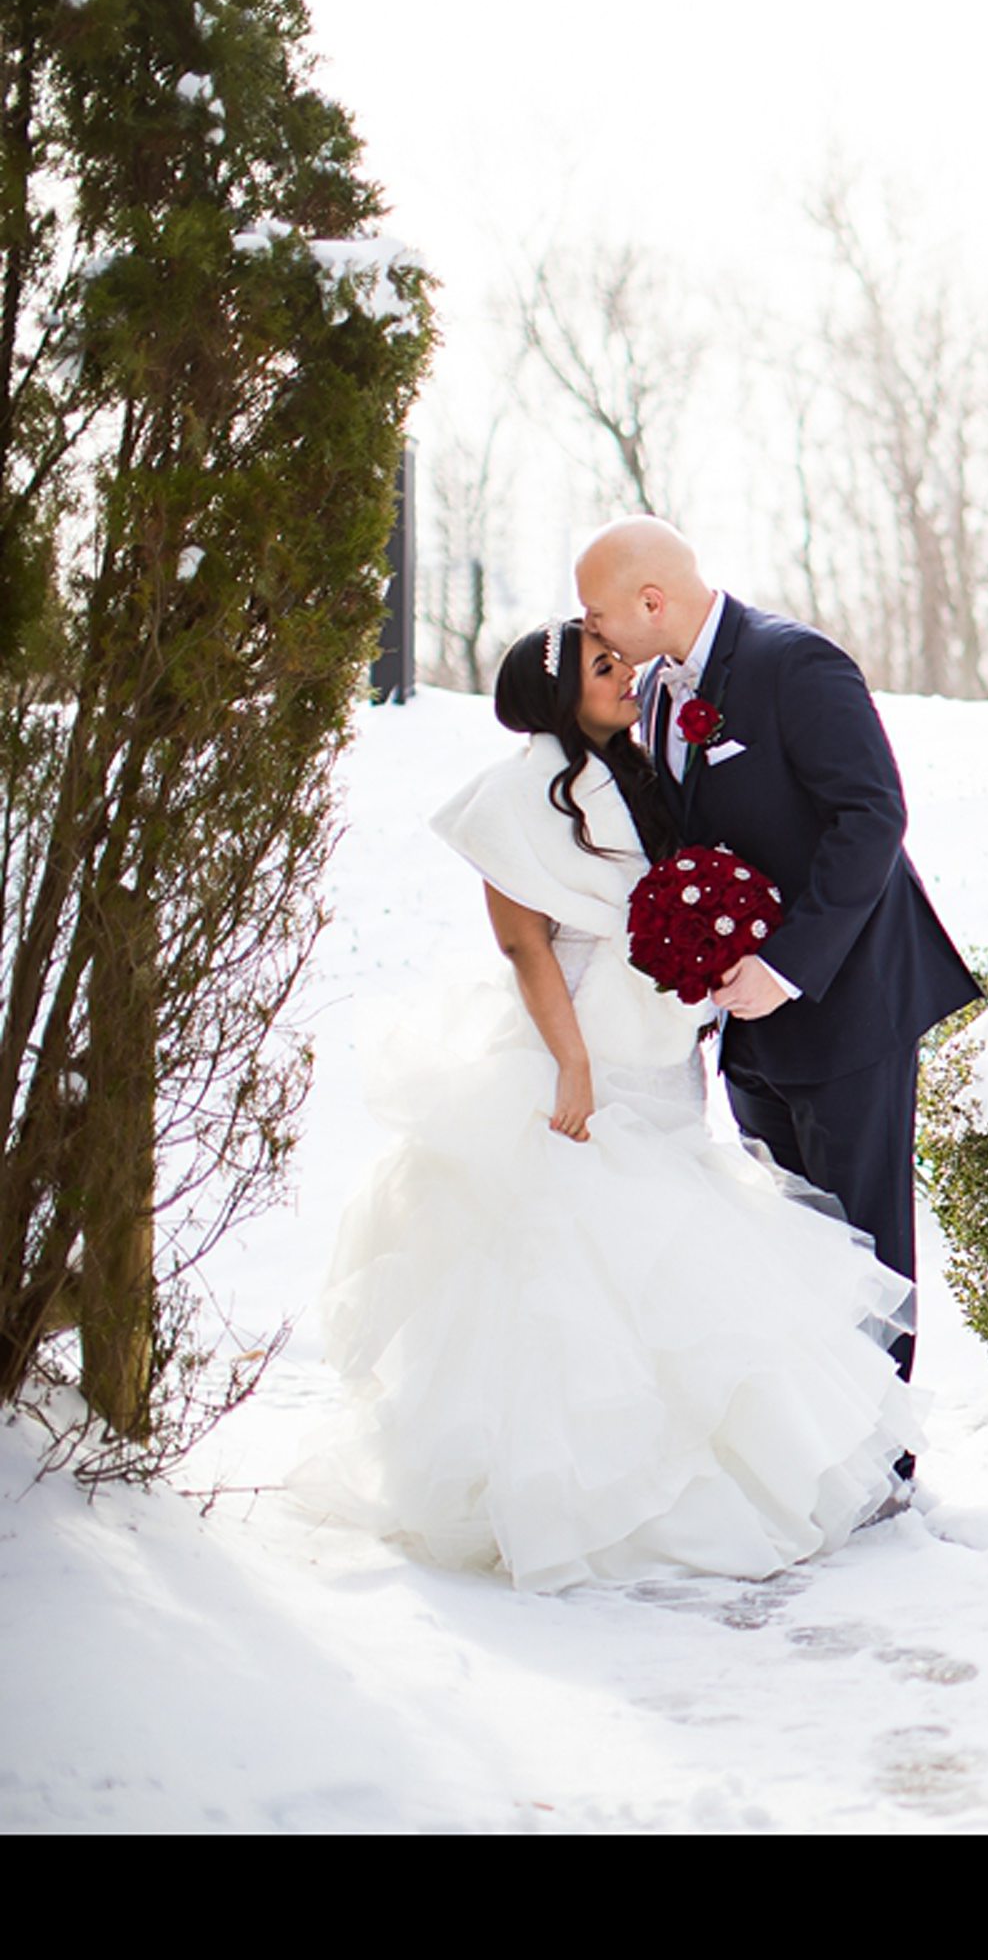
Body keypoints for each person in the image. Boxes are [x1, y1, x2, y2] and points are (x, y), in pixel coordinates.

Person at [301, 619, 919, 1593]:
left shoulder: (640, 769)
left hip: (656, 1053)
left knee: (679, 1257)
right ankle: (576, 1494)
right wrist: (573, 1063)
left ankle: (728, 1472)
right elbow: (524, 945)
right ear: (560, 698)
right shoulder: (514, 796)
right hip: (578, 1052)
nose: (627, 672)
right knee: (574, 1265)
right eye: (603, 665)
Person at [573, 519, 981, 1455]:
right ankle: (819, 1453)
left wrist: (787, 964)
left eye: (597, 610)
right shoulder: (661, 697)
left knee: (863, 1244)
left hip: (846, 1000)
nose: (588, 626)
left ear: (651, 602)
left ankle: (881, 1456)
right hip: (744, 1018)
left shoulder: (795, 664)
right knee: (794, 1239)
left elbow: (872, 814)